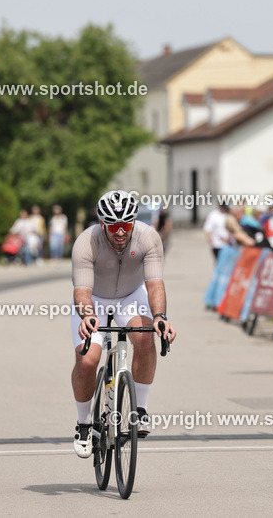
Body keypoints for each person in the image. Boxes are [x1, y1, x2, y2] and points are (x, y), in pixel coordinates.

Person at [70, 190, 176, 458]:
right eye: (113, 226)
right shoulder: (86, 242)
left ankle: (139, 410)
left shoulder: (148, 237)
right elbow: (82, 290)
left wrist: (160, 317)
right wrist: (87, 315)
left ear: (134, 222)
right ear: (103, 223)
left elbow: (154, 285)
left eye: (126, 225)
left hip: (130, 297)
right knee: (87, 360)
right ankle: (83, 424)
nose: (120, 232)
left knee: (144, 339)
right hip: (93, 300)